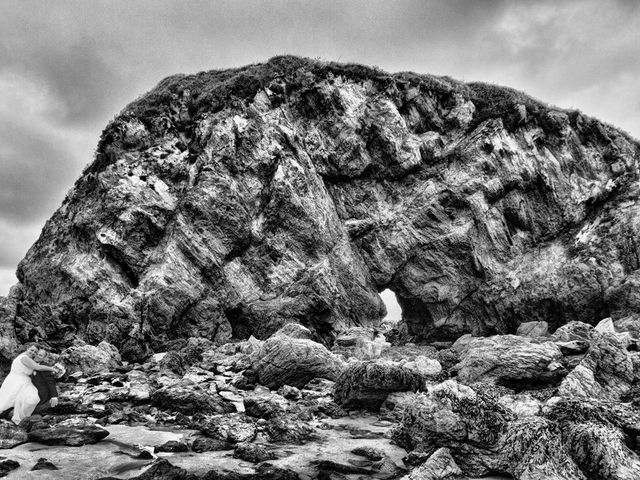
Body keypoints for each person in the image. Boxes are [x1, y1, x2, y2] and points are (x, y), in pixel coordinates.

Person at [0, 345, 57, 424]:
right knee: (13, 399)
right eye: (32, 350)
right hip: (18, 381)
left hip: (14, 380)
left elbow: (50, 381)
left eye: (36, 352)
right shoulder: (25, 358)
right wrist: (53, 368)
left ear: (44, 357)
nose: (33, 353)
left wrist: (54, 396)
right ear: (28, 349)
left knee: (10, 399)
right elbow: (38, 367)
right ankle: (16, 418)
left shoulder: (24, 356)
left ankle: (12, 417)